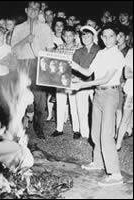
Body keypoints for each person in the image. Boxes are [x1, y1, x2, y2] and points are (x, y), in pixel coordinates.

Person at [69, 23, 125, 186]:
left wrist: (82, 85)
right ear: (101, 37)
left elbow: (106, 78)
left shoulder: (117, 56)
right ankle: (98, 162)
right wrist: (74, 66)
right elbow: (88, 72)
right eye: (105, 36)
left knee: (106, 135)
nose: (108, 39)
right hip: (98, 94)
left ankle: (116, 174)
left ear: (117, 38)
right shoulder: (101, 53)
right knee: (95, 132)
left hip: (110, 93)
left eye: (112, 36)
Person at [11, 1, 54, 139]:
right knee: (21, 97)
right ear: (26, 10)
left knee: (40, 100)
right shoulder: (18, 28)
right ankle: (21, 127)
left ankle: (39, 127)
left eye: (36, 9)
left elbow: (50, 48)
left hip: (38, 63)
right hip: (22, 64)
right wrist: (25, 40)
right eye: (31, 8)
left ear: (39, 11)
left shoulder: (45, 28)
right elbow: (13, 49)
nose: (33, 11)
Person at [72, 25, 100, 139]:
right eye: (83, 36)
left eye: (88, 36)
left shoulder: (100, 50)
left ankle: (97, 132)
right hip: (81, 84)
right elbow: (73, 68)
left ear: (93, 37)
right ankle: (85, 133)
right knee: (81, 109)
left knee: (96, 110)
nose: (85, 38)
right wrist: (75, 78)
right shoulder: (78, 51)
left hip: (95, 84)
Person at [51, 26, 79, 137]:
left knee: (73, 105)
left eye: (70, 35)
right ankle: (59, 129)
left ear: (74, 36)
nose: (68, 38)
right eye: (65, 36)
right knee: (60, 104)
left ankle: (76, 129)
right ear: (62, 36)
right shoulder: (59, 48)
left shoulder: (78, 48)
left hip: (73, 79)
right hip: (61, 79)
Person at [116, 48, 133, 151]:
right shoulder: (131, 52)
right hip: (132, 91)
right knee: (125, 119)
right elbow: (126, 74)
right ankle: (118, 144)